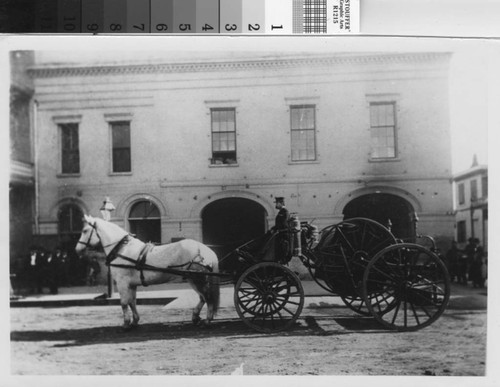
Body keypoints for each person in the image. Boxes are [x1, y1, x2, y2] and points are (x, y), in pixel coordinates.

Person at [273, 197, 290, 263]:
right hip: (280, 233)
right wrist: (273, 229)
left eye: (277, 203)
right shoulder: (281, 212)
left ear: (281, 203)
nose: (276, 205)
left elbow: (284, 224)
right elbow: (278, 224)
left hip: (283, 235)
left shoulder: (284, 212)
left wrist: (278, 230)